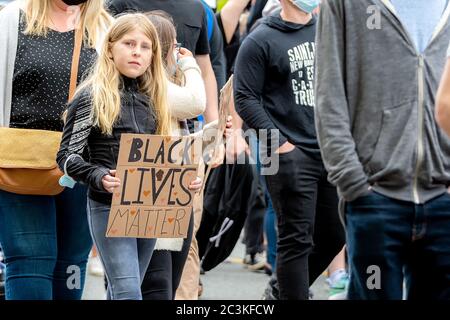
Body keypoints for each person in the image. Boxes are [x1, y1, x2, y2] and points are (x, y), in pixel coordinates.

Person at [56, 13, 203, 300]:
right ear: (110, 48)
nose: (137, 52)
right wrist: (99, 177)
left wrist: (182, 181)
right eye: (129, 43)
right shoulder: (91, 97)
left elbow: (161, 157)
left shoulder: (156, 99)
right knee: (128, 292)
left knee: (123, 290)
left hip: (150, 205)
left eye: (145, 46)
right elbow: (66, 156)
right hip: (108, 206)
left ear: (153, 55)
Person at [316, 0, 450, 299]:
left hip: (444, 199)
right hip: (375, 197)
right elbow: (329, 96)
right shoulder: (346, 5)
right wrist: (355, 184)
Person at [0, 0, 111, 300]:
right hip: (21, 161)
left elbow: (133, 92)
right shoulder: (12, 20)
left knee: (72, 264)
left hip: (83, 165)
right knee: (29, 261)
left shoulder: (105, 28)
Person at [234, 0, 345, 300]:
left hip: (328, 149)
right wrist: (280, 143)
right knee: (295, 237)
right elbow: (244, 98)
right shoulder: (260, 38)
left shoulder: (326, 31)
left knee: (336, 233)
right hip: (281, 151)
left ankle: (281, 290)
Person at [140, 11, 206, 300]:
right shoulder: (152, 83)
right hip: (153, 187)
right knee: (158, 282)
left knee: (168, 275)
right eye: (174, 44)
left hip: (169, 182)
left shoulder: (161, 82)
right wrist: (189, 63)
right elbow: (195, 102)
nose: (178, 50)